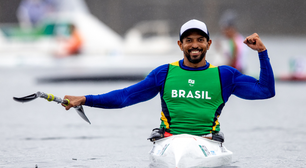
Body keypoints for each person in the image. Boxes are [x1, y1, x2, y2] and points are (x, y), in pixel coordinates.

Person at [62, 19, 275, 141]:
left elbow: (265, 91)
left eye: (200, 40)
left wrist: (262, 52)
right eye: (188, 40)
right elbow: (125, 97)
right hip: (168, 141)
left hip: (208, 142)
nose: (195, 45)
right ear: (180, 44)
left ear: (209, 44)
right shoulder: (163, 74)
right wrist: (84, 99)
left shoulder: (225, 75)